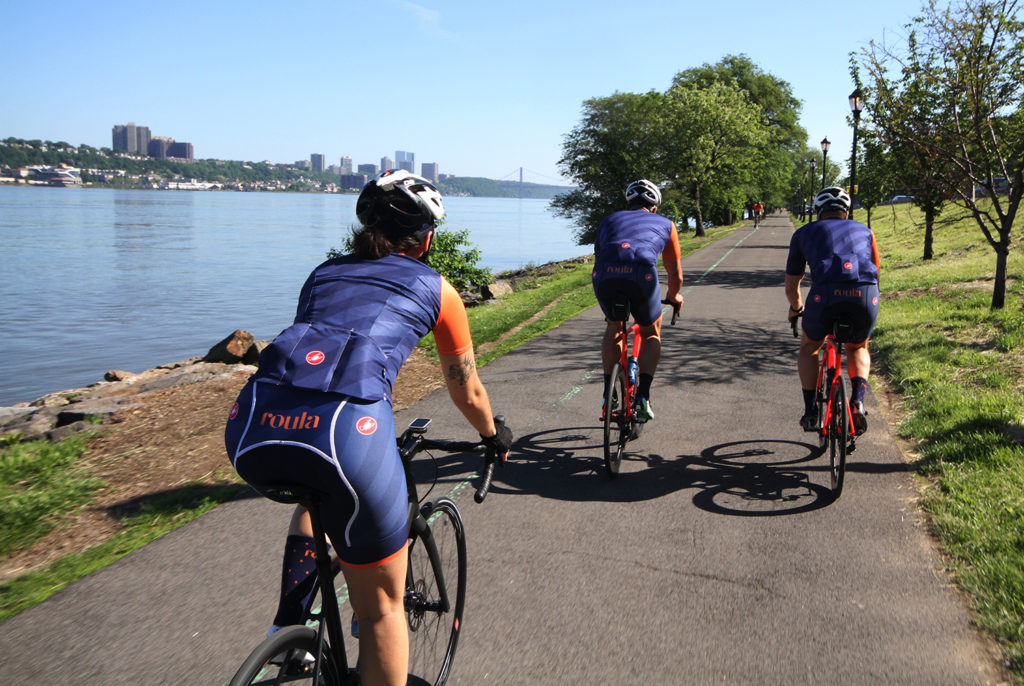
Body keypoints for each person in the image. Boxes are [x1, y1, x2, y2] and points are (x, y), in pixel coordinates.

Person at [225, 169, 513, 686]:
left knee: (312, 495)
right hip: (347, 438)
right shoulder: (438, 289)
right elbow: (466, 390)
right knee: (382, 609)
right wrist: (493, 436)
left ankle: (288, 624)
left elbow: (314, 359)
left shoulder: (322, 274)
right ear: (426, 238)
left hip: (253, 430)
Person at [785, 186, 880, 435]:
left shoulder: (804, 233)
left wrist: (796, 308)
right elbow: (876, 273)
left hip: (824, 295)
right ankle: (858, 402)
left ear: (818, 212)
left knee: (810, 346)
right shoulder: (866, 231)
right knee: (858, 347)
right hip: (864, 295)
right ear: (846, 213)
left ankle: (811, 411)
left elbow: (791, 285)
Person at [593, 179, 684, 421]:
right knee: (650, 333)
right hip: (641, 274)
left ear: (628, 203)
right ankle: (643, 397)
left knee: (614, 324)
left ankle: (608, 393)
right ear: (655, 207)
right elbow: (675, 273)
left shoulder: (609, 220)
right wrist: (673, 296)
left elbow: (600, 255)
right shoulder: (666, 224)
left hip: (605, 275)